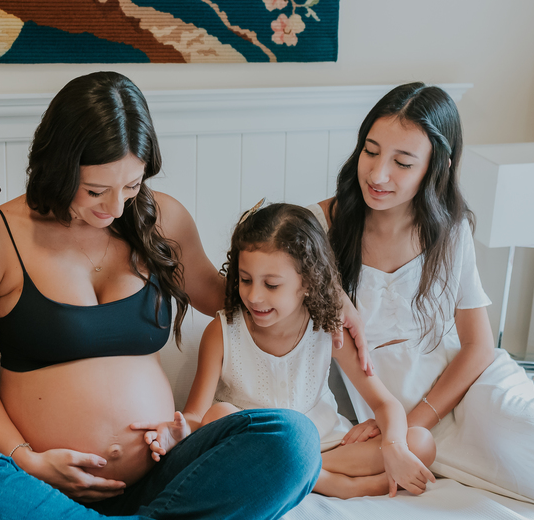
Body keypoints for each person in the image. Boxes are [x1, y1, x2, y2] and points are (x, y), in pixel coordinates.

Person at [0, 72, 368, 520]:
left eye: (130, 187)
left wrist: (328, 293)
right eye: (95, 190)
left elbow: (232, 296)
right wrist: (28, 460)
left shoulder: (160, 219)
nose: (114, 208)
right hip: (43, 490)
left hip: (167, 482)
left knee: (294, 442)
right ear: (58, 165)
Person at [316, 82, 534, 509]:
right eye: (371, 151)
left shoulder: (449, 231)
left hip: (466, 387)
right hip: (388, 408)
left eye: (402, 162)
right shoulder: (319, 228)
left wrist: (408, 425)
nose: (378, 174)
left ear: (437, 167)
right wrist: (394, 424)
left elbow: (478, 347)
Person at [145, 203, 437, 499]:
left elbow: (385, 404)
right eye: (245, 280)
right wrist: (179, 432)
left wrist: (394, 447)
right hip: (253, 447)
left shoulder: (329, 328)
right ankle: (335, 484)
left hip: (325, 446)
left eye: (271, 285)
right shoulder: (222, 332)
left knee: (421, 442)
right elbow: (197, 416)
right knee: (219, 414)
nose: (254, 296)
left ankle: (303, 472)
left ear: (308, 282)